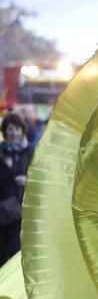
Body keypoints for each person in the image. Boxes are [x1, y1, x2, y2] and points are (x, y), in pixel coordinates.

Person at [0, 112, 33, 265]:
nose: (14, 133)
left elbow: (39, 175)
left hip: (21, 210)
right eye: (10, 129)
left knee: (16, 252)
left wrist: (28, 181)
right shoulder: (1, 152)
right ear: (4, 131)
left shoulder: (29, 152)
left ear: (22, 130)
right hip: (2, 209)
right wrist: (6, 166)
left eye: (17, 129)